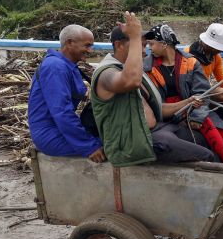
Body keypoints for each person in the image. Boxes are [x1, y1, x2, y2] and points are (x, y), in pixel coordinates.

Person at [91, 13, 214, 166]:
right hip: (134, 141)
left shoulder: (136, 72)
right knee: (206, 156)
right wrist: (135, 36)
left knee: (201, 140)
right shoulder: (106, 73)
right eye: (140, 45)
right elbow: (130, 81)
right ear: (119, 45)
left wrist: (188, 101)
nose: (144, 52)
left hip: (157, 129)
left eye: (145, 45)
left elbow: (159, 109)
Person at [144, 23, 223, 163]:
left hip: (191, 108)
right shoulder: (147, 68)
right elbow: (154, 103)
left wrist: (196, 117)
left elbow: (202, 92)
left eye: (151, 44)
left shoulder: (190, 62)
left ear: (164, 44)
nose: (149, 48)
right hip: (165, 111)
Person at [28, 24, 105, 162]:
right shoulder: (55, 67)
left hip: (60, 127)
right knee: (113, 146)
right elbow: (62, 112)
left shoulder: (69, 65)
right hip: (50, 134)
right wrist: (89, 146)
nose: (90, 50)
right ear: (70, 43)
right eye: (87, 45)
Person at [188, 22, 223, 108]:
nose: (221, 51)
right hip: (191, 93)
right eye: (219, 48)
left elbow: (221, 77)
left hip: (204, 90)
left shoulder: (215, 57)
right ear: (208, 44)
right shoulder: (187, 55)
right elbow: (186, 82)